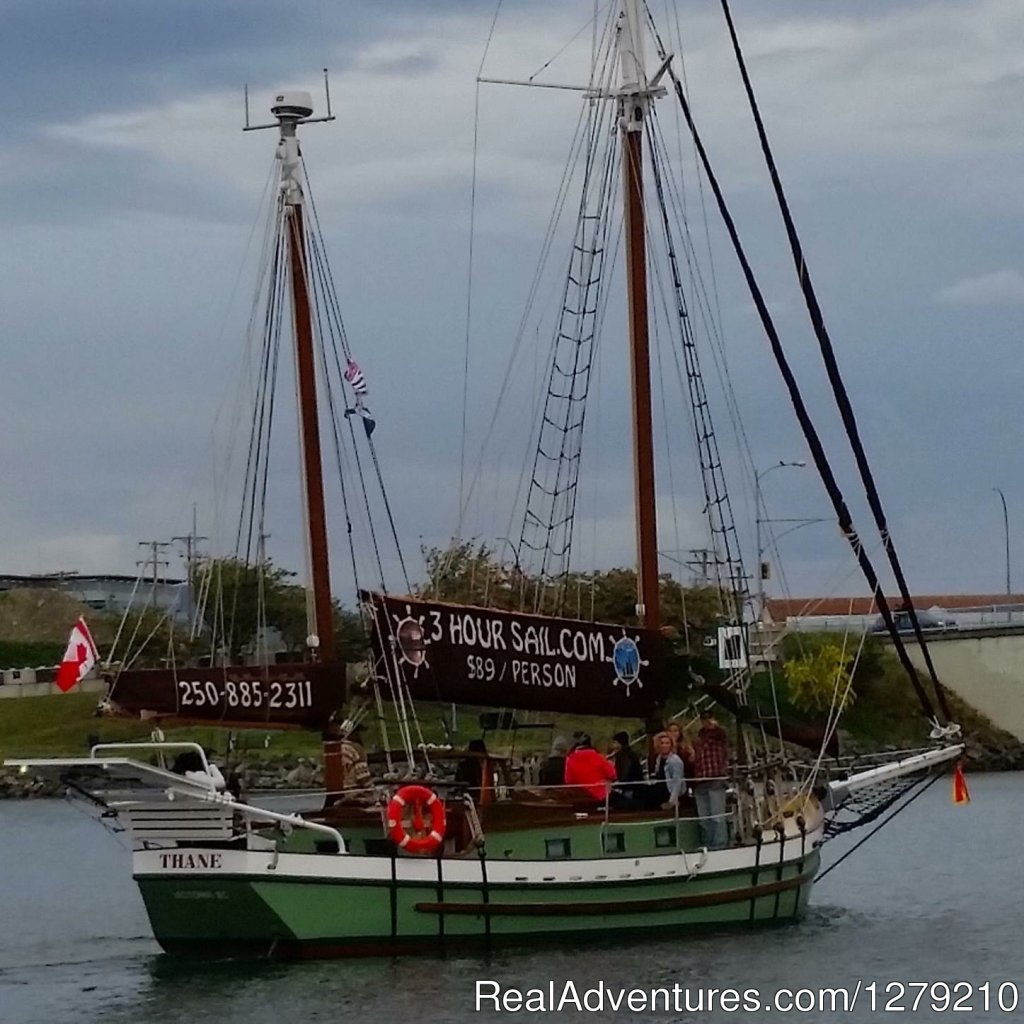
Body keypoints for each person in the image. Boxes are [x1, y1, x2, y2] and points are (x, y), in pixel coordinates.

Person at [692, 709, 730, 849]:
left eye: (710, 718)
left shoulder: (720, 735)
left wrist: (715, 726)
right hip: (700, 780)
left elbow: (723, 733)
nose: (707, 722)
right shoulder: (699, 738)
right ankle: (707, 844)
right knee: (704, 818)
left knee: (717, 817)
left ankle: (719, 845)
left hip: (716, 778)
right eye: (704, 719)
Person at [564, 734, 616, 804]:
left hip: (579, 796)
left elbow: (568, 780)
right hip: (600, 795)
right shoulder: (597, 757)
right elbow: (612, 774)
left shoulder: (570, 759)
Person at [648, 731, 685, 810]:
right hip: (660, 791)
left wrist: (672, 801)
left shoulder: (675, 761)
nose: (664, 745)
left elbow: (677, 782)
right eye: (662, 743)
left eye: (667, 743)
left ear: (671, 745)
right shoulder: (658, 759)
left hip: (670, 794)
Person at [608, 731, 643, 806]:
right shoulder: (624, 755)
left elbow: (625, 774)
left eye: (615, 742)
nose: (613, 745)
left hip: (631, 789)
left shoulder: (625, 756)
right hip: (629, 787)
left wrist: (616, 784)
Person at [454, 738, 488, 803]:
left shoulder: (486, 764)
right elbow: (460, 781)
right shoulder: (464, 765)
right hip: (469, 794)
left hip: (479, 793)